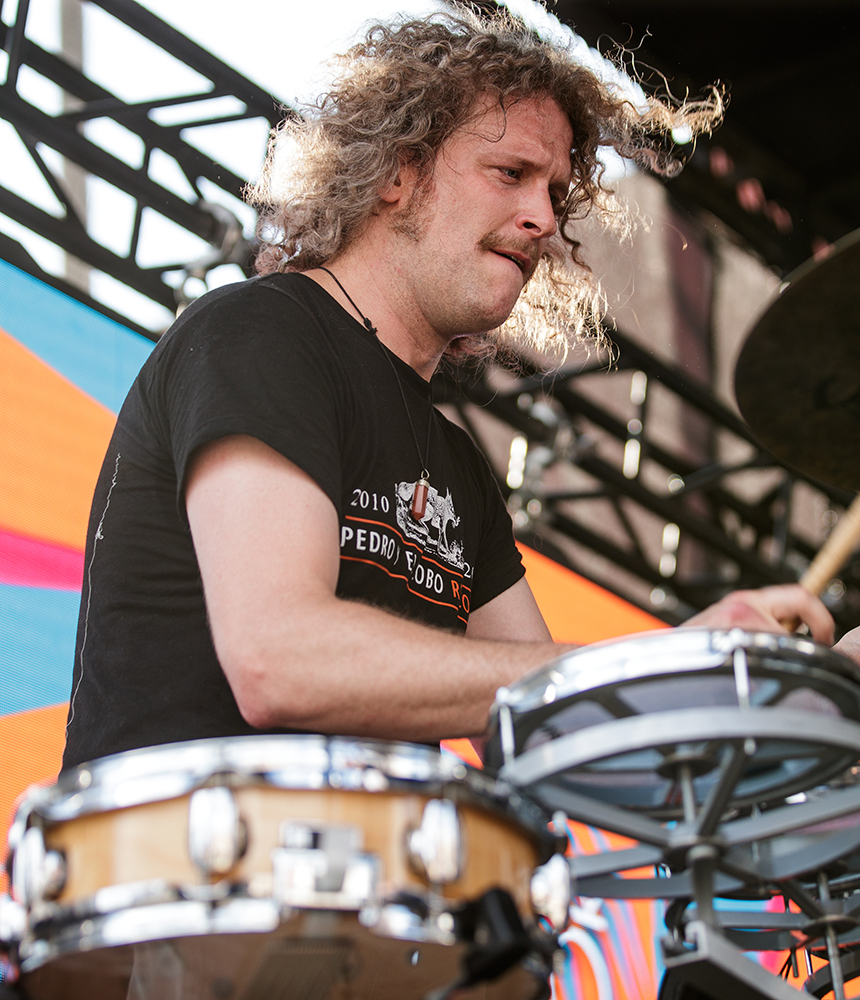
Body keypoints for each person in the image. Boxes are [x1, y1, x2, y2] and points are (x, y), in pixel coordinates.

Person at [61, 8, 856, 771]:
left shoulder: (459, 465)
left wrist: (801, 697)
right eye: (511, 173)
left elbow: (550, 731)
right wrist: (679, 659)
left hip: (384, 887)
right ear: (398, 173)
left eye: (554, 193)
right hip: (189, 879)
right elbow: (279, 659)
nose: (543, 218)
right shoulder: (260, 333)